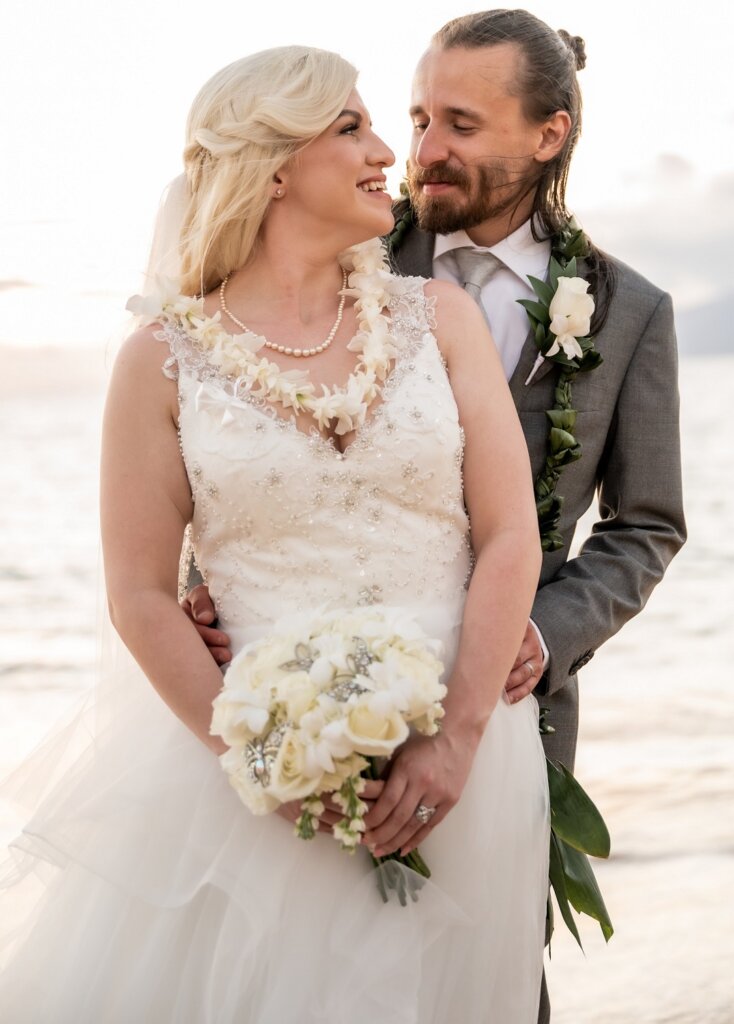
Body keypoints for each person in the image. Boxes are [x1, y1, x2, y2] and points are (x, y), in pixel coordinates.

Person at [0, 45, 549, 1022]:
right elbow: (138, 593)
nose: (391, 149)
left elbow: (509, 535)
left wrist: (459, 736)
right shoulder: (158, 363)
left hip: (464, 753)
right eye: (351, 126)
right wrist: (262, 761)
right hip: (259, 761)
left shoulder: (443, 319)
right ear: (274, 166)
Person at [188, 15, 687, 1020]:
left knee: (488, 978)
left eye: (459, 121)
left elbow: (648, 524)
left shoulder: (630, 310)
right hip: (307, 702)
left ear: (548, 134)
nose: (421, 150)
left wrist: (541, 634)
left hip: (509, 711)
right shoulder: (345, 236)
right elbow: (228, 416)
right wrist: (218, 576)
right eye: (417, 116)